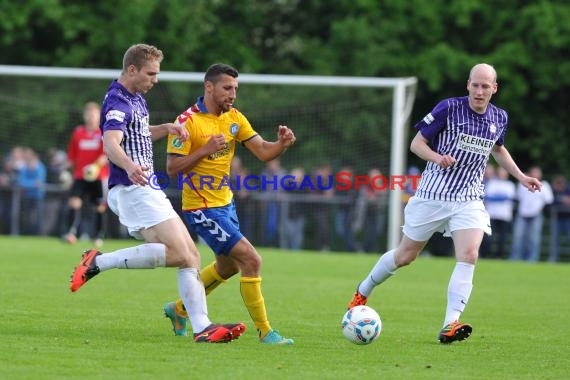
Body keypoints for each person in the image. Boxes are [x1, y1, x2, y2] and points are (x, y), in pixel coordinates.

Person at [347, 63, 542, 344]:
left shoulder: (499, 117)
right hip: (433, 196)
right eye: (475, 84)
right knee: (405, 256)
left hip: (469, 199)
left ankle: (450, 324)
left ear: (494, 88)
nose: (479, 90)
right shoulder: (449, 108)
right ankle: (362, 291)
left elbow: (498, 149)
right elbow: (417, 144)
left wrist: (521, 176)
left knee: (470, 254)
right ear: (468, 85)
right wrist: (437, 157)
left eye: (485, 86)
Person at [68, 44, 245, 344]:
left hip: (142, 188)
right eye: (151, 73)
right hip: (134, 188)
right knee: (186, 254)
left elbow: (136, 132)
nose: (156, 79)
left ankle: (201, 325)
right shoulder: (117, 101)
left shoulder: (135, 98)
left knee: (185, 255)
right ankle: (201, 326)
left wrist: (165, 128)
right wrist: (129, 165)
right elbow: (111, 142)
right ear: (132, 70)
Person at [163, 63, 296, 345]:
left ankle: (178, 310)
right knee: (251, 259)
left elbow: (262, 151)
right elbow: (173, 168)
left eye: (235, 88)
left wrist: (281, 144)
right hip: (200, 207)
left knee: (228, 267)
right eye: (227, 88)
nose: (232, 94)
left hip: (226, 204)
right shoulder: (186, 121)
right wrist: (205, 149)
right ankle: (265, 332)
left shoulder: (234, 117)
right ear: (209, 87)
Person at [63, 101, 109, 247]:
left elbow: (106, 154)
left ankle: (97, 236)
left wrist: (95, 166)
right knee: (74, 202)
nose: (90, 117)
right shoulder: (78, 132)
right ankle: (71, 233)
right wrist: (65, 169)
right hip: (80, 175)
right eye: (88, 114)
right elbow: (72, 154)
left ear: (98, 116)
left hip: (98, 176)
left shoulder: (102, 132)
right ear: (84, 116)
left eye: (93, 114)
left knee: (99, 206)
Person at [509, 166, 553, 262]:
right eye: (533, 172)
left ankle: (532, 259)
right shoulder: (522, 184)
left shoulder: (544, 185)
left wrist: (540, 210)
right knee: (518, 238)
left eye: (537, 172)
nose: (535, 174)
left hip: (536, 215)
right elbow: (517, 198)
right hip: (522, 214)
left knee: (534, 239)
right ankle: (515, 258)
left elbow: (549, 201)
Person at [481, 166, 516, 259]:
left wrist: (495, 198)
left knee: (502, 237)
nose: (502, 175)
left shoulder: (510, 185)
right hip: (492, 214)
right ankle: (486, 254)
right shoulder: (492, 183)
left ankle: (499, 255)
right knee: (488, 236)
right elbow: (487, 197)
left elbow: (509, 198)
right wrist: (501, 198)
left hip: (504, 216)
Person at [549, 175, 570, 262]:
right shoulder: (553, 190)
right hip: (557, 219)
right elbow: (551, 200)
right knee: (554, 240)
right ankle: (553, 258)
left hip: (568, 218)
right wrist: (562, 200)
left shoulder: (568, 189)